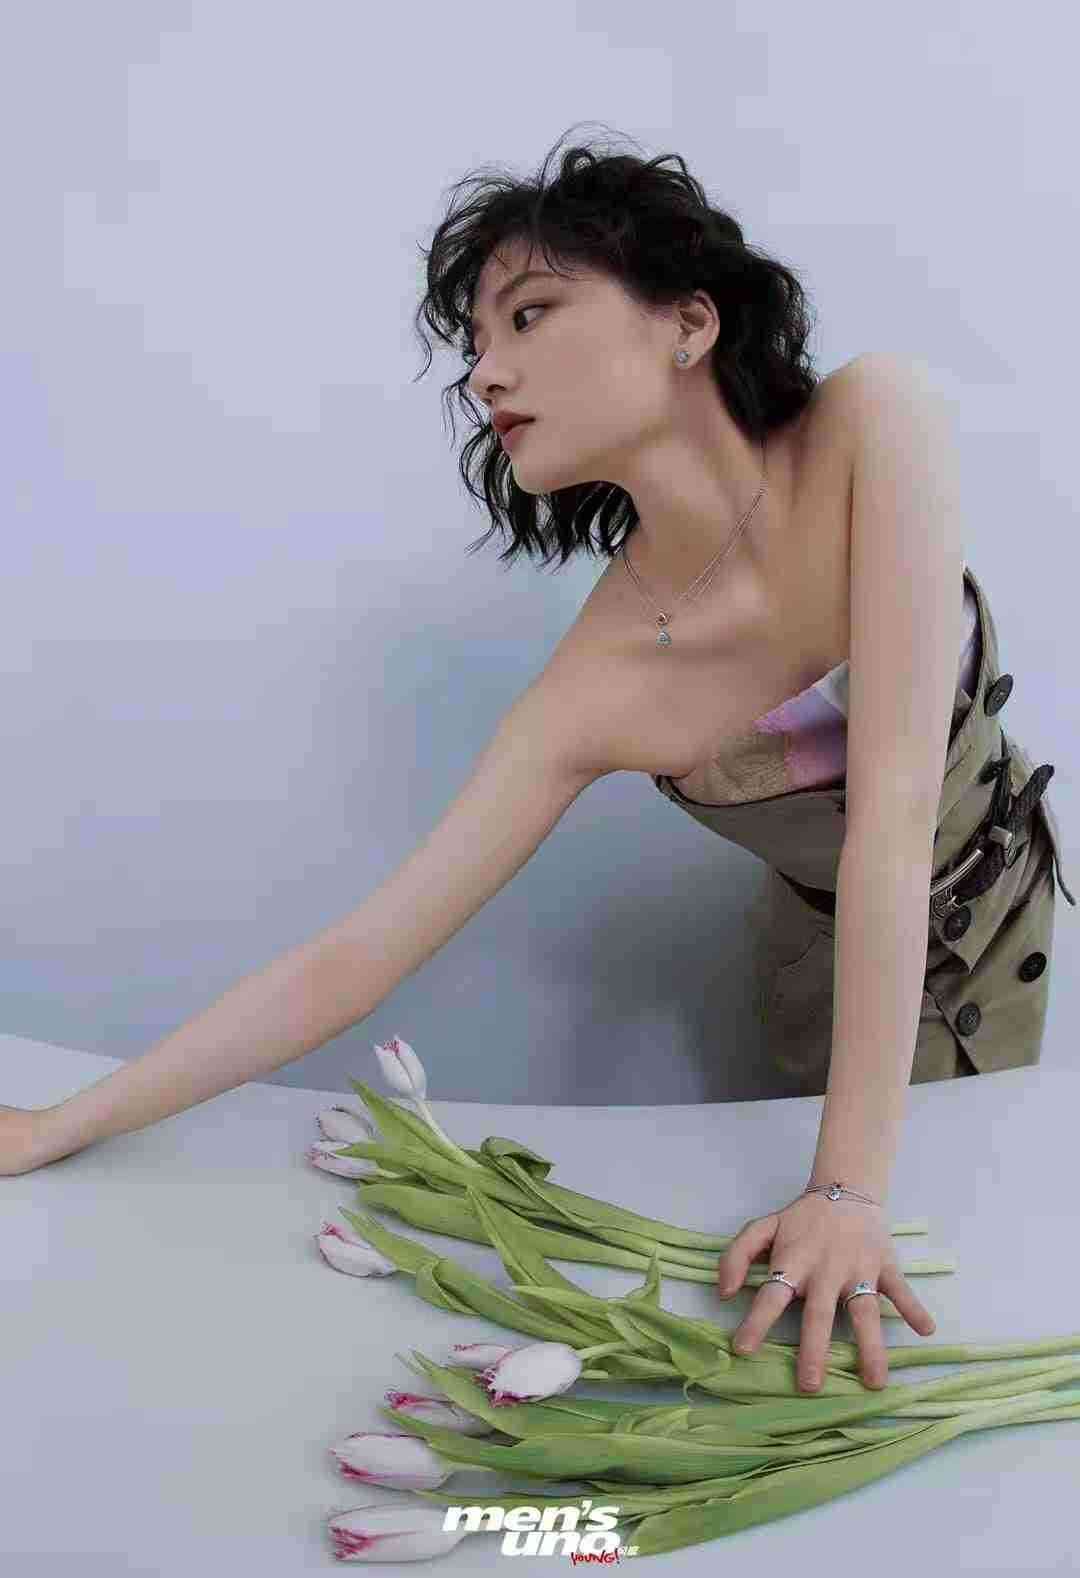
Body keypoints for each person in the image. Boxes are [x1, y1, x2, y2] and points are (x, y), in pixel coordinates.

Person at [3, 126, 1072, 1395]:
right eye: (474, 343)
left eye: (528, 315)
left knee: (991, 1268)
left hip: (998, 929)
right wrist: (53, 1126)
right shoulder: (600, 678)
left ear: (688, 323)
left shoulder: (873, 421)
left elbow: (894, 814)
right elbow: (359, 957)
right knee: (863, 1348)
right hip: (826, 994)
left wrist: (847, 1187)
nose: (484, 373)